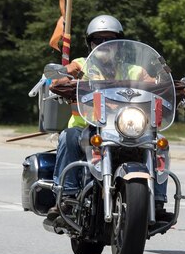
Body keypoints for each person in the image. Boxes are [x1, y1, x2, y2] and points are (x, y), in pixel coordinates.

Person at [48, 14, 171, 224]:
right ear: (90, 43)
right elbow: (57, 80)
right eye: (98, 41)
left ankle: (157, 201)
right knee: (68, 137)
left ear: (119, 44)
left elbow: (156, 85)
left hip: (127, 128)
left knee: (159, 143)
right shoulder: (82, 66)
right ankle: (66, 197)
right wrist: (66, 75)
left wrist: (168, 83)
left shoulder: (133, 70)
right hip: (88, 127)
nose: (104, 45)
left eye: (110, 40)